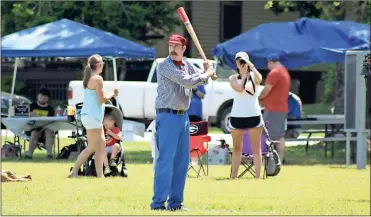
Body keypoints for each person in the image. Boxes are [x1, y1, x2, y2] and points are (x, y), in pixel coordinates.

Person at [150, 34, 216, 211]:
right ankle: (157, 204)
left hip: (183, 117)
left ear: (183, 48)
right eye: (170, 45)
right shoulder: (164, 65)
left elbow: (201, 80)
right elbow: (186, 81)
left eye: (176, 46)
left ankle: (175, 203)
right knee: (165, 161)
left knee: (182, 162)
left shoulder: (187, 64)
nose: (172, 49)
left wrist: (206, 70)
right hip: (167, 116)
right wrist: (206, 73)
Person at [69, 54, 118, 178]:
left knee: (101, 146)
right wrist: (113, 93)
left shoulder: (90, 77)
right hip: (93, 117)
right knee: (91, 147)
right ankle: (74, 171)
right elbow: (101, 99)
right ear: (99, 65)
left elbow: (98, 97)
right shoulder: (98, 79)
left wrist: (110, 93)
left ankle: (100, 176)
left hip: (91, 116)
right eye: (103, 63)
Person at [229, 52, 263, 179]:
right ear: (236, 64)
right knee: (237, 148)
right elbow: (239, 88)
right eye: (239, 61)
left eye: (243, 61)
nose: (242, 64)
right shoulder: (233, 78)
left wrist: (252, 68)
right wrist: (243, 76)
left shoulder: (254, 76)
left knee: (256, 148)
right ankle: (233, 177)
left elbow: (260, 79)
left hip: (253, 115)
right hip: (237, 116)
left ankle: (258, 178)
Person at [258, 54, 291, 162]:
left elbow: (267, 89)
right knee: (280, 137)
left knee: (268, 136)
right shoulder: (284, 72)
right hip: (282, 109)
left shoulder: (274, 73)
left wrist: (259, 98)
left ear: (270, 62)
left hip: (273, 110)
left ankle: (267, 161)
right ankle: (279, 161)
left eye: (268, 64)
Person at [25, 88, 55, 159]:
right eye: (41, 97)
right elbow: (25, 119)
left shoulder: (50, 109)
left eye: (45, 97)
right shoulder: (32, 106)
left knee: (49, 131)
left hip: (45, 129)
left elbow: (51, 122)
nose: (42, 99)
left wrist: (41, 131)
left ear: (48, 99)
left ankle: (49, 154)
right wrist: (28, 114)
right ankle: (29, 155)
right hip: (32, 129)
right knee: (34, 133)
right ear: (37, 96)